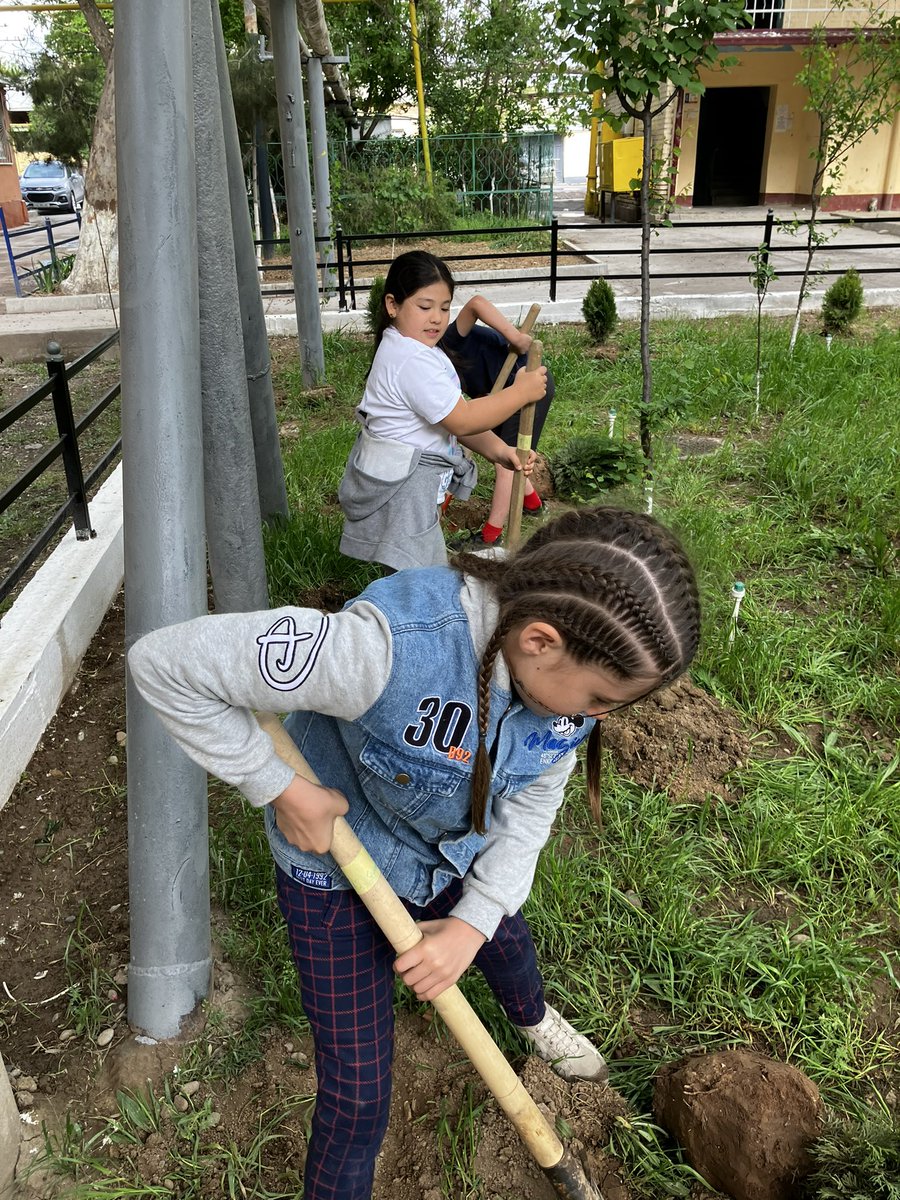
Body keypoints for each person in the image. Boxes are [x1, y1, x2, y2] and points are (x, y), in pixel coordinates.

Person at [128, 505, 701, 1200]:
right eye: (603, 698)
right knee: (359, 1093)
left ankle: (532, 1019)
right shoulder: (385, 651)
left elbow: (531, 805)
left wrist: (471, 923)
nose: (599, 717)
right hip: (336, 868)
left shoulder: (563, 697)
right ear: (540, 641)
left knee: (506, 943)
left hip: (449, 851)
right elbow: (164, 664)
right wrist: (279, 788)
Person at [338, 250, 547, 572]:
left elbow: (450, 420)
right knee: (422, 578)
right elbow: (463, 419)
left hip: (408, 484)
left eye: (445, 307)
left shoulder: (417, 349)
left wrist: (500, 451)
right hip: (404, 491)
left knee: (412, 573)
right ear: (392, 305)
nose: (436, 317)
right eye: (425, 307)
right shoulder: (411, 359)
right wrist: (519, 393)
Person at [441, 294, 555, 546]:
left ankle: (491, 537)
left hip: (527, 386)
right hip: (502, 395)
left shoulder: (446, 341)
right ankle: (534, 506)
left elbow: (476, 304)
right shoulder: (431, 368)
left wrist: (515, 337)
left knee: (507, 464)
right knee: (502, 453)